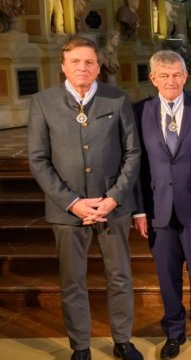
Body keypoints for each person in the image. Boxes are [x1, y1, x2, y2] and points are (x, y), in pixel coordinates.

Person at [27, 38, 142, 360]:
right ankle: (81, 346)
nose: (82, 67)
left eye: (89, 62)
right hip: (67, 211)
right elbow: (38, 159)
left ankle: (122, 340)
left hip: (112, 209)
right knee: (72, 281)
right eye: (75, 61)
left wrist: (113, 198)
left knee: (119, 276)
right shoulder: (43, 102)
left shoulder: (117, 99)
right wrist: (72, 202)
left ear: (98, 66)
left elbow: (133, 153)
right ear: (63, 66)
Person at [133, 50, 191, 358]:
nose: (170, 81)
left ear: (186, 77)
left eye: (176, 75)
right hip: (158, 208)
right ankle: (173, 331)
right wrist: (139, 209)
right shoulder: (139, 111)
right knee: (166, 274)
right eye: (164, 75)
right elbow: (137, 165)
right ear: (153, 79)